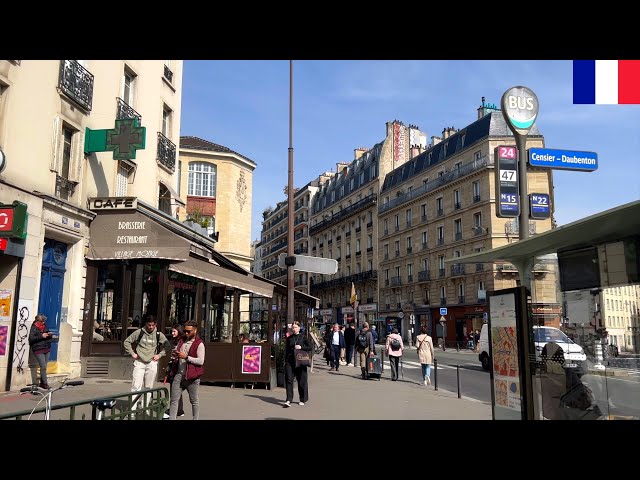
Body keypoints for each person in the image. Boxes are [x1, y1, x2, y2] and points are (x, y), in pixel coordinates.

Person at [123, 314, 170, 413]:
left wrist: (159, 355)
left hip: (152, 363)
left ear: (155, 324)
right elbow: (127, 342)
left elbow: (167, 346)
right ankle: (132, 409)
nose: (151, 327)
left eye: (153, 325)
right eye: (149, 325)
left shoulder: (158, 334)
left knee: (148, 387)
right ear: (146, 324)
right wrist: (132, 353)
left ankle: (145, 408)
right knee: (136, 386)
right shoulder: (139, 332)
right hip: (139, 362)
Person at [169, 319, 205, 420]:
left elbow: (201, 361)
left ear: (195, 330)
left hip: (192, 377)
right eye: (185, 331)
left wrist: (186, 357)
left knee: (194, 400)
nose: (186, 333)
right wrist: (175, 355)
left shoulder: (199, 344)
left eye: (189, 331)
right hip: (179, 374)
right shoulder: (182, 341)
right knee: (174, 400)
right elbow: (179, 354)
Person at [283, 320, 311, 407]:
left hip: (300, 361)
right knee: (289, 380)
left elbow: (310, 347)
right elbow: (287, 350)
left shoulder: (303, 337)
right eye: (293, 327)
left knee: (302, 380)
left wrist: (301, 347)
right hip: (290, 361)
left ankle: (302, 399)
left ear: (299, 328)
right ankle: (288, 399)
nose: (294, 329)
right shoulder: (289, 338)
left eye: (295, 327)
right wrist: (285, 360)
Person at [163, 324, 185, 419]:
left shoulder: (181, 341)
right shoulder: (176, 341)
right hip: (173, 366)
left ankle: (174, 410)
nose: (172, 333)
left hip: (178, 367)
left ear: (179, 331)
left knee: (175, 389)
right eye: (172, 331)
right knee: (176, 389)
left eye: (174, 331)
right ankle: (179, 410)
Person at [28, 314, 55, 389]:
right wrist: (41, 336)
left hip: (46, 347)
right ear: (37, 321)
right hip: (38, 349)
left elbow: (47, 333)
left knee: (45, 366)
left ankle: (42, 383)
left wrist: (49, 334)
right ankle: (45, 384)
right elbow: (31, 338)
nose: (43, 323)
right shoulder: (34, 327)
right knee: (43, 366)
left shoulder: (45, 326)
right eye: (42, 321)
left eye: (44, 321)